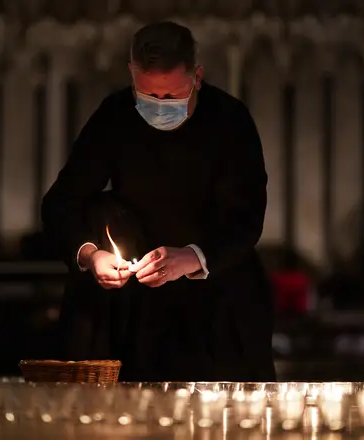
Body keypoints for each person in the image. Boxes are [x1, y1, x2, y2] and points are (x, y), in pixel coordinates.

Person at [42, 21, 276, 382]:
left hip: (217, 297)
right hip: (134, 305)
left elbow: (246, 218)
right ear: (131, 74)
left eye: (170, 97)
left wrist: (193, 257)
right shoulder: (116, 115)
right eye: (148, 97)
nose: (159, 107)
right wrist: (91, 255)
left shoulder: (230, 120)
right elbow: (63, 202)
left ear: (197, 77)